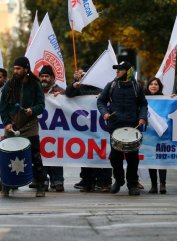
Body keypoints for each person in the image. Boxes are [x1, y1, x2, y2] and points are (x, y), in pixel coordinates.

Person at [97, 61, 148, 196]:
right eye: (117, 69)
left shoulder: (137, 87)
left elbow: (143, 104)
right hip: (115, 127)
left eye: (120, 69)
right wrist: (105, 113)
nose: (117, 72)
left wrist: (143, 117)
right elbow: (101, 101)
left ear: (127, 71)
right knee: (115, 157)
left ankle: (132, 184)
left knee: (133, 158)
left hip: (132, 127)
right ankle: (119, 180)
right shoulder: (112, 85)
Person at [0, 56, 46, 197]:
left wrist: (33, 110)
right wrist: (7, 122)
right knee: (8, 155)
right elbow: (3, 107)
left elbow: (41, 105)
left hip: (30, 125)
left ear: (26, 69)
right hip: (12, 125)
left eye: (18, 68)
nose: (15, 71)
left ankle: (40, 185)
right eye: (14, 68)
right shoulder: (9, 85)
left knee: (35, 156)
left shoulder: (35, 84)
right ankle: (7, 185)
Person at [65, 69, 112, 193]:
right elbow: (68, 93)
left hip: (102, 128)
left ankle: (105, 182)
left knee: (104, 153)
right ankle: (87, 181)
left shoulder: (103, 87)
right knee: (86, 153)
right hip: (86, 129)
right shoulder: (81, 87)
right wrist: (75, 82)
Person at [37, 65, 65, 192]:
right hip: (39, 129)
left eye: (46, 76)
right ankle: (44, 180)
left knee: (55, 153)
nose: (44, 79)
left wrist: (63, 95)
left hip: (56, 129)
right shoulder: (36, 91)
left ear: (53, 78)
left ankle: (58, 180)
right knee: (41, 155)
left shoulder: (59, 90)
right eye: (42, 76)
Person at [145, 77, 167, 194]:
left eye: (156, 84)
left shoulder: (165, 99)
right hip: (149, 133)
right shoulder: (143, 99)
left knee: (161, 159)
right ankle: (154, 185)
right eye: (151, 84)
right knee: (151, 159)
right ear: (148, 86)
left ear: (159, 87)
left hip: (161, 133)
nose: (153, 86)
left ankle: (163, 184)